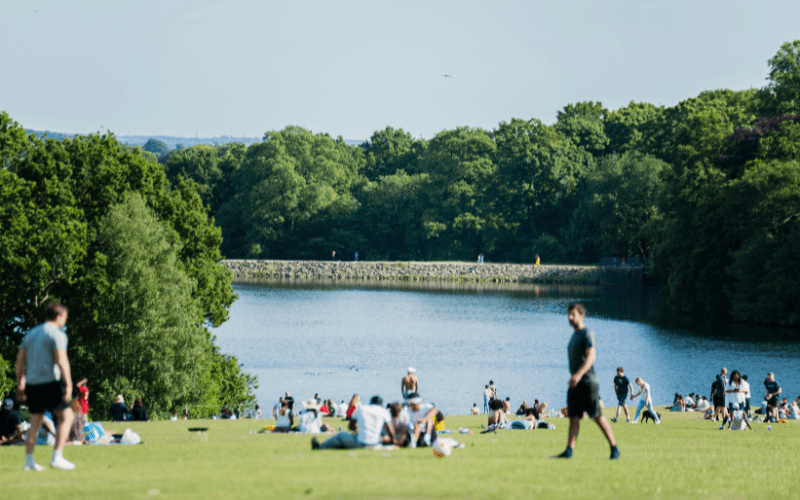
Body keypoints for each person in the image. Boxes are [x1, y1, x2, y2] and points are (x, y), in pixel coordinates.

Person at [551, 303, 619, 460]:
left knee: (596, 415)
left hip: (588, 381)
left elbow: (591, 356)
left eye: (573, 314)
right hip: (575, 382)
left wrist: (579, 374)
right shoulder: (574, 335)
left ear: (582, 315)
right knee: (573, 416)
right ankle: (569, 451)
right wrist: (574, 377)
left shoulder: (587, 333)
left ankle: (614, 448)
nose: (569, 317)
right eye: (568, 314)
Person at [15, 302, 76, 470]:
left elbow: (19, 362)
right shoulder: (57, 334)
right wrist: (69, 384)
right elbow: (62, 361)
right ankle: (57, 456)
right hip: (49, 383)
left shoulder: (31, 334)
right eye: (65, 317)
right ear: (58, 316)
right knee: (67, 416)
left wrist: (20, 384)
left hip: (32, 384)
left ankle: (29, 462)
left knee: (35, 420)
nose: (65, 321)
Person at [312, 396, 396, 450]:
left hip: (361, 443)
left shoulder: (362, 408)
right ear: (381, 404)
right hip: (376, 443)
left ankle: (320, 447)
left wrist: (356, 429)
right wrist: (391, 441)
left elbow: (351, 425)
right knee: (385, 437)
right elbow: (391, 432)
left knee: (340, 435)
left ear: (370, 402)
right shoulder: (383, 411)